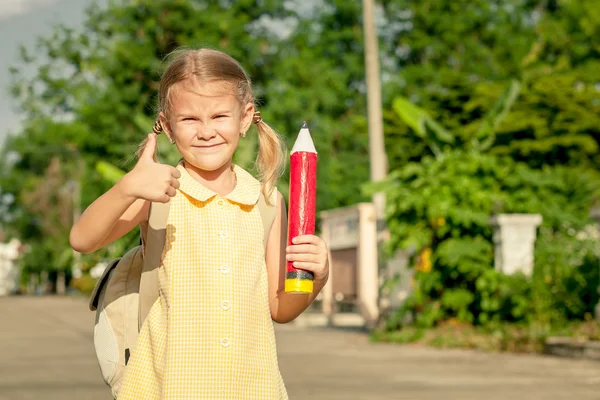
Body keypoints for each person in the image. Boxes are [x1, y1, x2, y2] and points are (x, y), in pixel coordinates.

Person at [69, 48, 329, 399]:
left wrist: (318, 277)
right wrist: (127, 186)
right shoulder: (157, 191)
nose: (206, 131)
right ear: (167, 127)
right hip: (171, 386)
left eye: (219, 115)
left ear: (245, 117)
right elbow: (83, 239)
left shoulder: (267, 201)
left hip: (252, 387)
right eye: (190, 119)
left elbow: (280, 309)